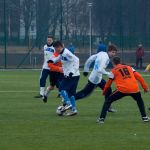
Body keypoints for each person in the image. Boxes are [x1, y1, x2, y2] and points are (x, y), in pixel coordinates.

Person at [97, 56, 149, 124]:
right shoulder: (129, 67)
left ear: (113, 63)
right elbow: (139, 77)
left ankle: (101, 119)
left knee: (108, 101)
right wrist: (145, 87)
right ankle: (144, 117)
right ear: (120, 61)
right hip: (134, 89)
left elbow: (108, 84)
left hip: (122, 90)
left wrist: (104, 91)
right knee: (140, 101)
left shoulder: (113, 70)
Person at [75, 45, 117, 112]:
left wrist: (86, 69)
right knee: (83, 94)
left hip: (98, 79)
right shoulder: (105, 58)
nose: (114, 54)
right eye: (112, 52)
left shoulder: (102, 53)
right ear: (108, 51)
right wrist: (109, 74)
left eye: (115, 52)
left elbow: (90, 59)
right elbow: (100, 70)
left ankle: (108, 107)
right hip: (94, 80)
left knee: (108, 90)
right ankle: (68, 101)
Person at [52, 41, 80, 116]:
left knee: (61, 88)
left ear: (59, 47)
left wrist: (72, 72)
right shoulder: (62, 53)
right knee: (71, 93)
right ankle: (74, 110)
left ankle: (68, 103)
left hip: (71, 75)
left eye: (56, 48)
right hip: (75, 75)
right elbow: (59, 58)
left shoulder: (67, 53)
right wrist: (52, 60)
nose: (55, 50)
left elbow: (76, 60)